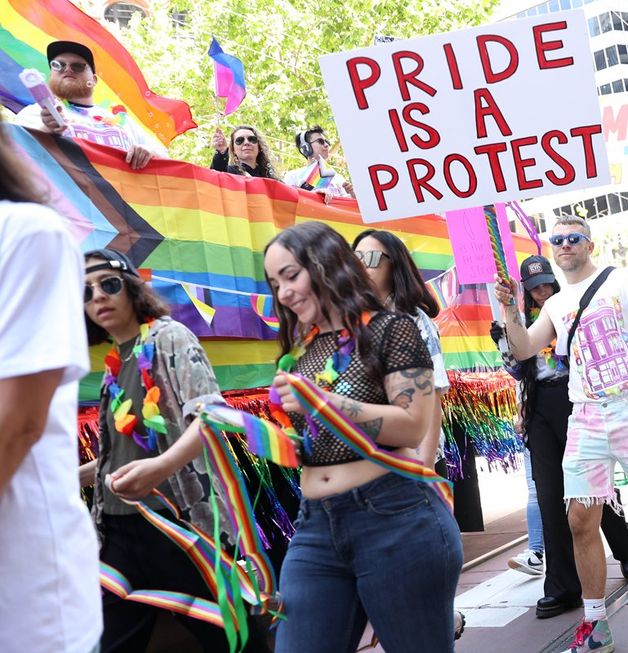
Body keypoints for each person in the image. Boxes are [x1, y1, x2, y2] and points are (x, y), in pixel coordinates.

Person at [495, 217, 628, 652]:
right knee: (579, 519)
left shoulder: (621, 281)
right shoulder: (555, 306)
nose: (563, 246)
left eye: (572, 239)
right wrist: (507, 310)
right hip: (587, 415)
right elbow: (521, 348)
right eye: (556, 240)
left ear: (588, 244)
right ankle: (596, 624)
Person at [265, 222, 463, 652]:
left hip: (396, 518)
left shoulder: (394, 329)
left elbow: (412, 424)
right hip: (315, 526)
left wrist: (324, 403)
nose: (283, 293)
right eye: (274, 282)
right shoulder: (301, 349)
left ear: (327, 266)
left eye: (291, 275)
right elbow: (312, 445)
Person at [80, 248, 268, 652]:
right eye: (85, 291)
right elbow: (121, 455)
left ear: (131, 287)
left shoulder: (170, 338)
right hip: (119, 531)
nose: (97, 297)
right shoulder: (115, 365)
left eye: (108, 284)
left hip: (178, 526)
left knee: (237, 641)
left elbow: (213, 416)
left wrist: (161, 466)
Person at [0, 115, 101, 653]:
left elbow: (18, 423)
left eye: (110, 285)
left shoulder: (24, 232)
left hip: (25, 601)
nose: (99, 299)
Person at [491, 255, 628, 609]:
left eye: (546, 283)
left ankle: (623, 542)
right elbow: (515, 369)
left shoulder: (568, 308)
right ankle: (562, 585)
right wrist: (504, 337)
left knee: (592, 488)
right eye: (534, 288)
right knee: (549, 495)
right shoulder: (521, 319)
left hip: (577, 401)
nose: (542, 292)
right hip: (539, 407)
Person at [351, 229, 451, 468]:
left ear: (394, 265)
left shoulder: (413, 320)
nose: (362, 266)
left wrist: (424, 467)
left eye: (372, 258)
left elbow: (432, 394)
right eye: (355, 259)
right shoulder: (348, 321)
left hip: (410, 459)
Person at [15, 40, 162, 169]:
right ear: (51, 75)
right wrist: (46, 129)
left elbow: (163, 156)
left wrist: (148, 152)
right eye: (58, 65)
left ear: (94, 80)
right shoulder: (35, 113)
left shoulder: (121, 120)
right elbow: (15, 157)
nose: (67, 69)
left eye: (78, 66)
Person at [283, 126, 355, 199]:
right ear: (305, 148)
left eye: (326, 142)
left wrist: (353, 194)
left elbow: (350, 207)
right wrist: (314, 196)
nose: (326, 145)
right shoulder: (292, 176)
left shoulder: (338, 178)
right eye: (320, 141)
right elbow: (288, 204)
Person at [211, 125, 279, 178]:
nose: (246, 143)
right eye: (239, 140)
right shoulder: (229, 173)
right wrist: (222, 151)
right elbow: (215, 177)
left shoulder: (270, 178)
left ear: (259, 146)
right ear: (233, 150)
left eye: (252, 139)